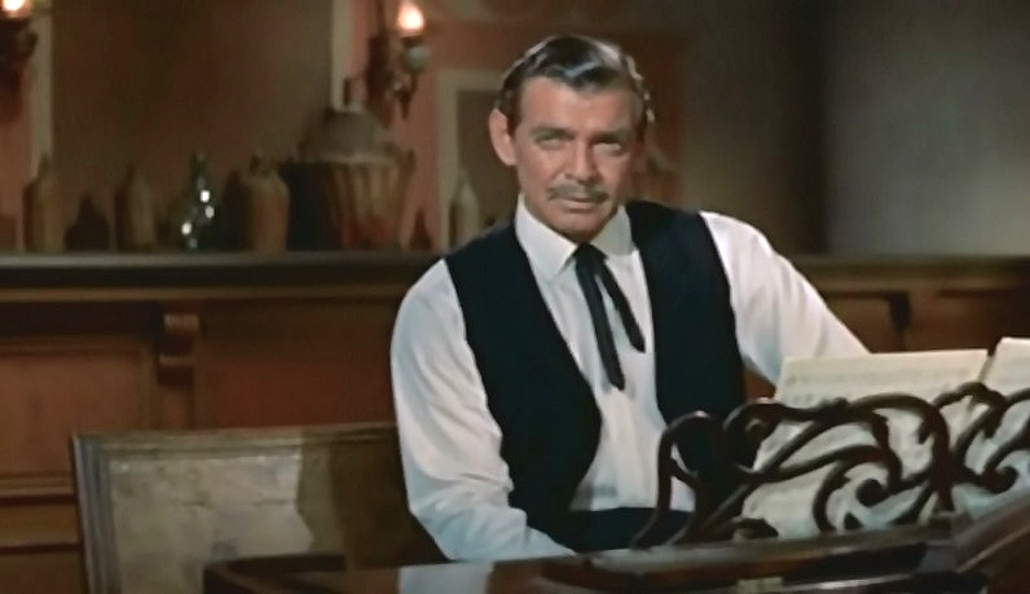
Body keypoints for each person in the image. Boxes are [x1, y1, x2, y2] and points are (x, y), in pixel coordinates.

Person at [390, 34, 867, 562]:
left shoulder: (726, 251)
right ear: (505, 138)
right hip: (553, 573)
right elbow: (463, 508)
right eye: (553, 140)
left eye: (608, 144)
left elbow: (853, 392)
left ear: (640, 145)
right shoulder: (445, 303)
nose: (581, 171)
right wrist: (578, 585)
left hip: (722, 563)